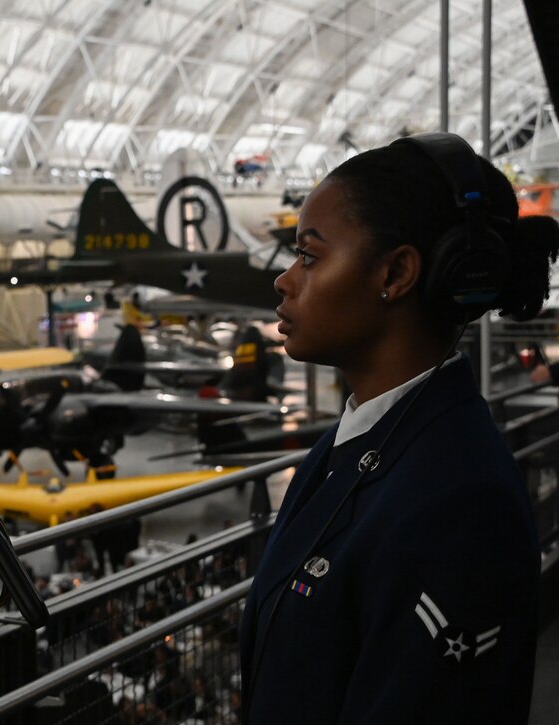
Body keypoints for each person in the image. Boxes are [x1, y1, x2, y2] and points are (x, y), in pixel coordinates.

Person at [239, 133, 559, 724]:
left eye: (309, 256)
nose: (285, 281)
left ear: (396, 273)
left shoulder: (460, 505)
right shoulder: (363, 440)